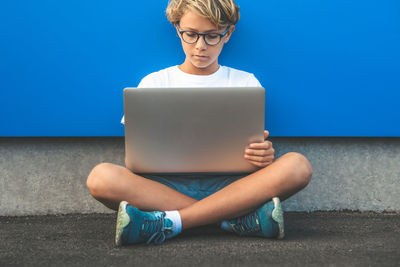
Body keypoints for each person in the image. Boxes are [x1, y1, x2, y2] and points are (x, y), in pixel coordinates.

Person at [86, 0, 313, 246]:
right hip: (164, 188)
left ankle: (168, 222)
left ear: (228, 34)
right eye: (191, 35)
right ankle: (232, 221)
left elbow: (254, 149)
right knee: (100, 178)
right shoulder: (154, 82)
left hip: (232, 186)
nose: (200, 46)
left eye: (212, 36)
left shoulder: (245, 82)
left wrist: (263, 155)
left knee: (297, 166)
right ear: (176, 29)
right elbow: (137, 155)